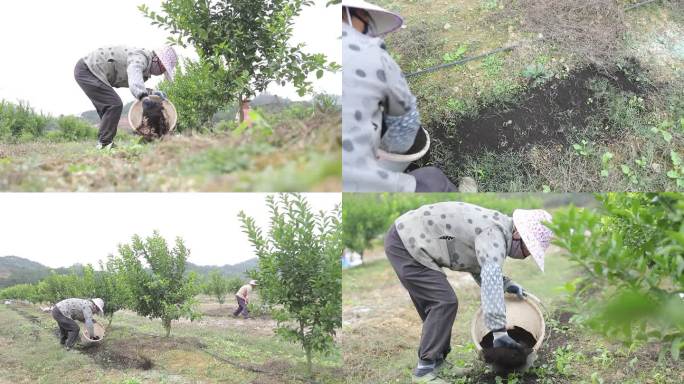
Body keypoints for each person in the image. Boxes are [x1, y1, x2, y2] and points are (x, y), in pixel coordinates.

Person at [384, 202, 553, 383]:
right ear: (519, 233)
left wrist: (507, 284)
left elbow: (480, 266)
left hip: (408, 238)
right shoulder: (494, 235)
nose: (526, 255)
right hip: (406, 242)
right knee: (443, 302)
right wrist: (499, 332)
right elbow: (490, 277)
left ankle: (438, 362)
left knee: (442, 303)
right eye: (529, 249)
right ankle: (424, 371)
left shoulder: (498, 230)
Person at [342, 1, 472, 192]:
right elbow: (406, 123)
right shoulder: (369, 53)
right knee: (432, 178)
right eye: (368, 23)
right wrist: (387, 155)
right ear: (357, 14)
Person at [74, 45, 177, 149]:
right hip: (88, 69)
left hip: (90, 71)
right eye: (162, 68)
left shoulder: (144, 68)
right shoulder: (141, 57)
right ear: (156, 59)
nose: (161, 73)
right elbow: (134, 76)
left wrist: (153, 93)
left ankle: (105, 143)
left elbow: (135, 82)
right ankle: (104, 144)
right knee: (114, 104)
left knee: (108, 109)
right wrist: (144, 98)